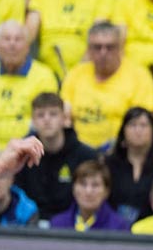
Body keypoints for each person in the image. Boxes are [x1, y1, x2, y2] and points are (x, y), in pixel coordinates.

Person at [61, 22, 153, 150]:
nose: (103, 53)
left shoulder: (139, 76)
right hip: (79, 150)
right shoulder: (76, 74)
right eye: (97, 47)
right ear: (89, 50)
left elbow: (141, 122)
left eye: (110, 47)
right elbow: (65, 115)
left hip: (121, 150)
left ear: (120, 49)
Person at [0, 20, 59, 145]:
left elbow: (46, 121)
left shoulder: (44, 76)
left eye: (18, 39)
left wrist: (18, 149)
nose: (12, 44)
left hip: (28, 150)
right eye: (6, 39)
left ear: (28, 47)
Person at [15, 92, 98, 221]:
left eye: (53, 114)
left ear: (64, 119)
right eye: (40, 115)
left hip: (72, 225)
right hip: (31, 224)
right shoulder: (22, 155)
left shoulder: (87, 156)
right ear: (33, 121)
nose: (47, 120)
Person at [105, 106, 153, 224]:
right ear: (123, 131)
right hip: (114, 227)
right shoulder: (109, 163)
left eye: (144, 125)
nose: (138, 130)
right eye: (132, 125)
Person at [49, 159, 132, 231]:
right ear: (73, 189)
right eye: (83, 184)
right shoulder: (57, 224)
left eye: (95, 185)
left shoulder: (119, 227)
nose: (88, 191)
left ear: (106, 191)